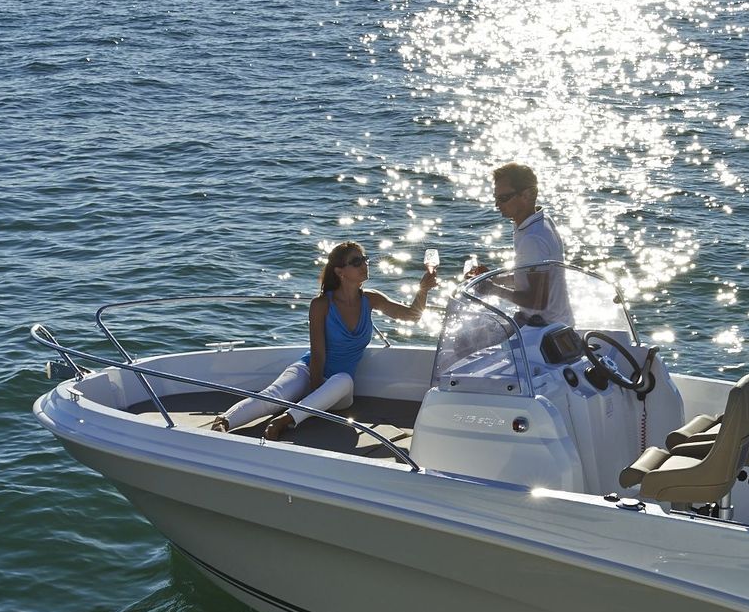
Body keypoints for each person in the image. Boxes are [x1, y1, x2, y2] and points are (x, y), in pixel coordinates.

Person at [210, 241, 437, 439]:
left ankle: (284, 420)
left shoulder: (371, 299)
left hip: (339, 389)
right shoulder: (321, 305)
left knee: (343, 379)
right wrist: (314, 390)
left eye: (364, 259)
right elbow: (318, 353)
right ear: (340, 271)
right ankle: (224, 422)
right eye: (356, 262)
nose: (364, 264)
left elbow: (412, 316)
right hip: (310, 371)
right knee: (275, 394)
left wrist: (424, 289)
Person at [464, 162, 573, 326]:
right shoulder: (542, 221)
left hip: (542, 329)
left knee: (468, 338)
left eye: (503, 198)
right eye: (496, 198)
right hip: (554, 322)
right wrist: (493, 279)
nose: (497, 204)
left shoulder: (532, 239)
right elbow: (528, 278)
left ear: (528, 194)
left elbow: (537, 302)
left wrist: (492, 289)